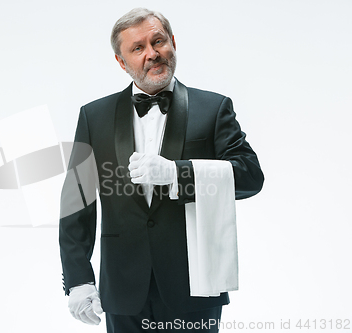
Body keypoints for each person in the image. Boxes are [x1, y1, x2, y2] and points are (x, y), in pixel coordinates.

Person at [59, 7, 264, 333]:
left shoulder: (213, 108)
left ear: (173, 43)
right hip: (123, 290)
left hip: (195, 286)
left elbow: (250, 176)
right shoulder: (93, 117)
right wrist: (78, 278)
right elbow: (77, 203)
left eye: (158, 41)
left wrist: (177, 174)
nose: (152, 54)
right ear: (121, 62)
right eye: (138, 48)